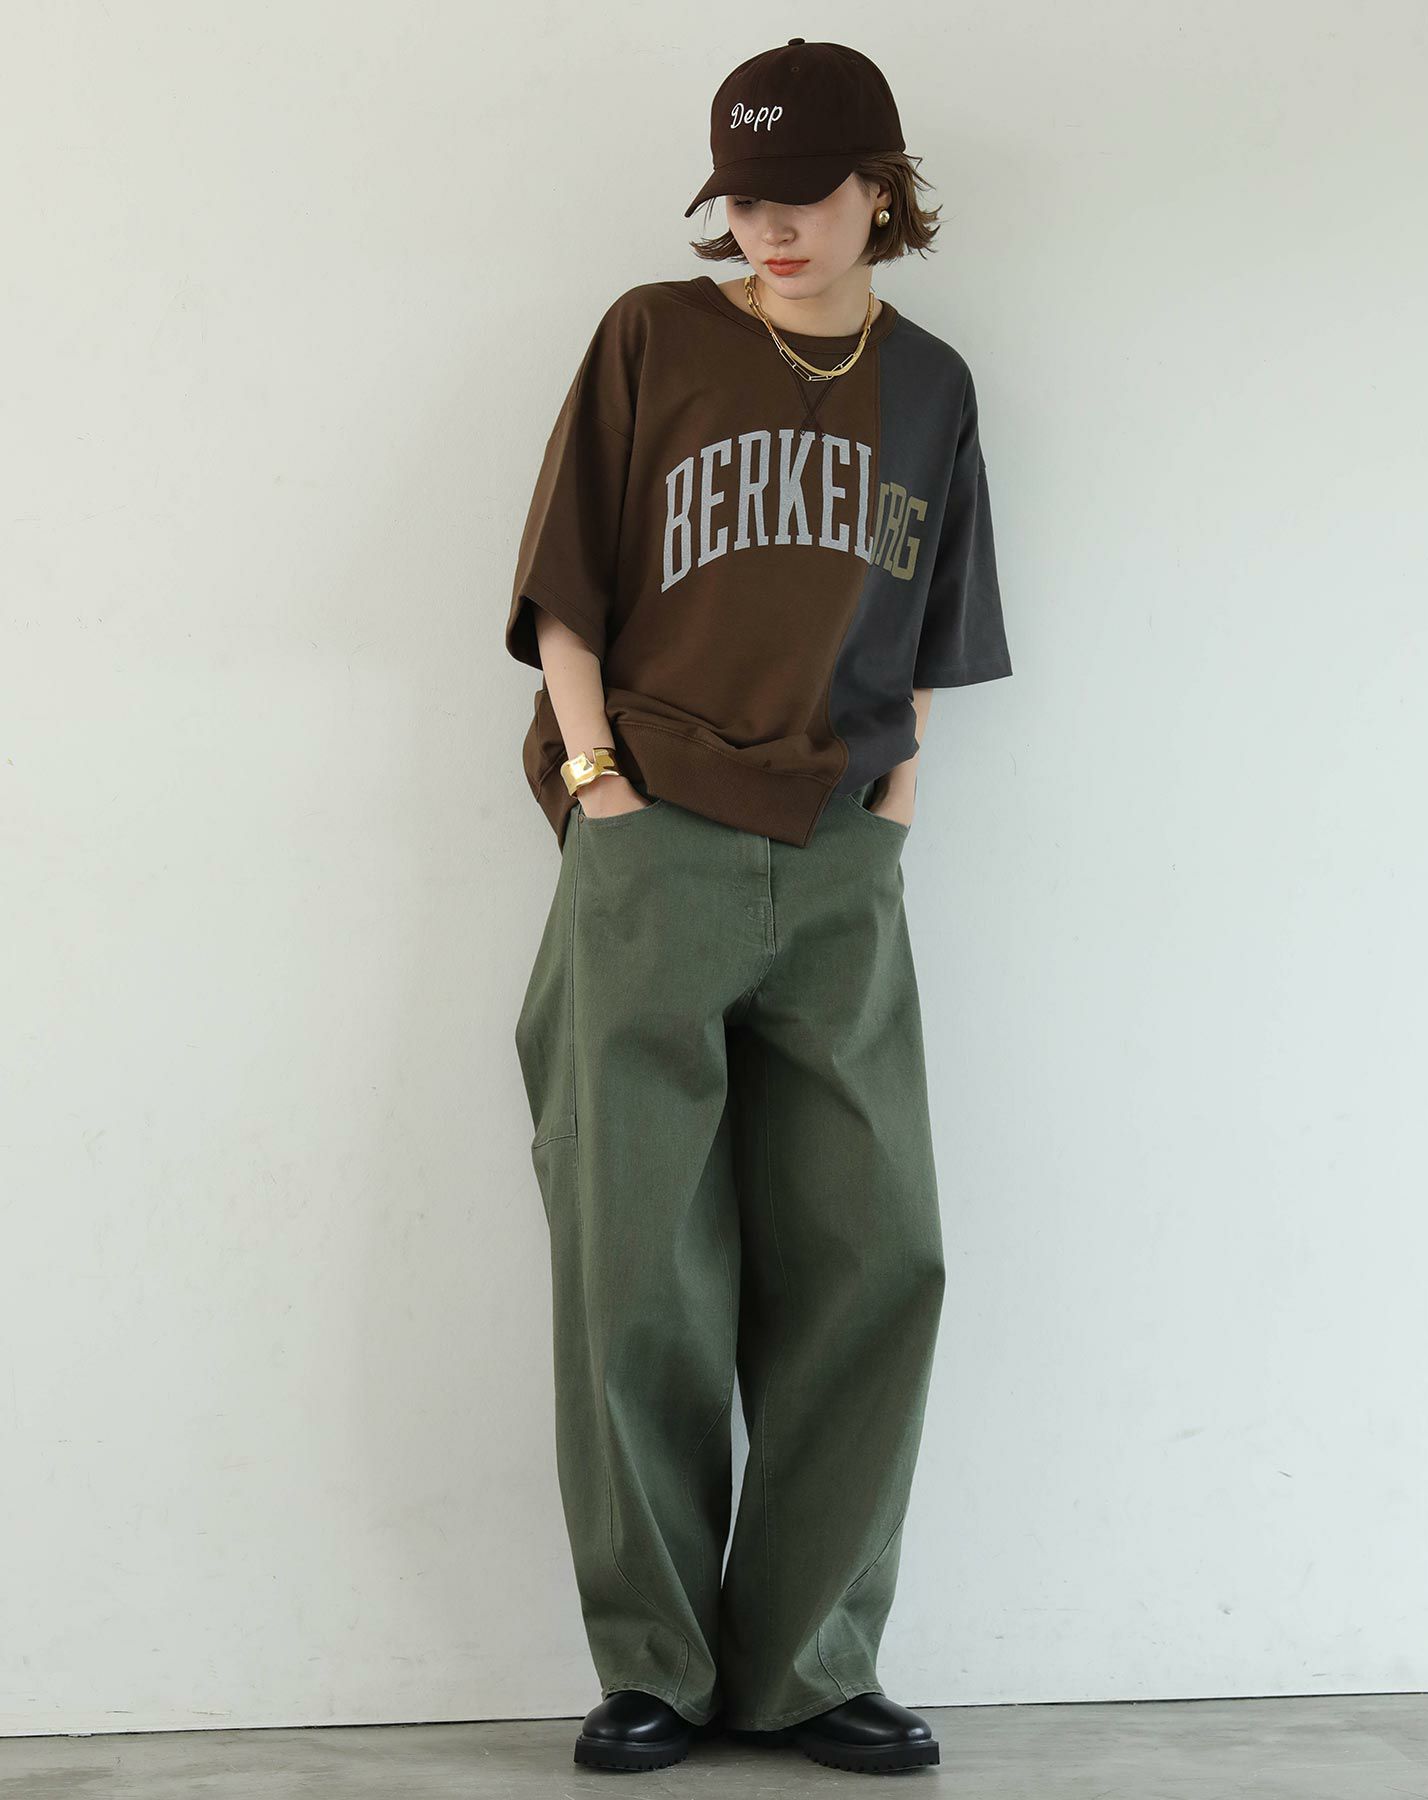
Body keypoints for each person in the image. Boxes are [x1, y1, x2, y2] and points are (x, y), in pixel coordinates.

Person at [506, 37, 1012, 1777]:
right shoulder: (654, 336)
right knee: (636, 1267)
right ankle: (652, 1666)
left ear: (882, 190)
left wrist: (895, 808)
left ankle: (810, 1666)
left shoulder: (930, 384)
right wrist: (598, 783)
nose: (770, 230)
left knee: (875, 1256)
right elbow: (565, 588)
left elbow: (933, 625)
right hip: (650, 838)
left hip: (840, 853)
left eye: (803, 197)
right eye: (743, 200)